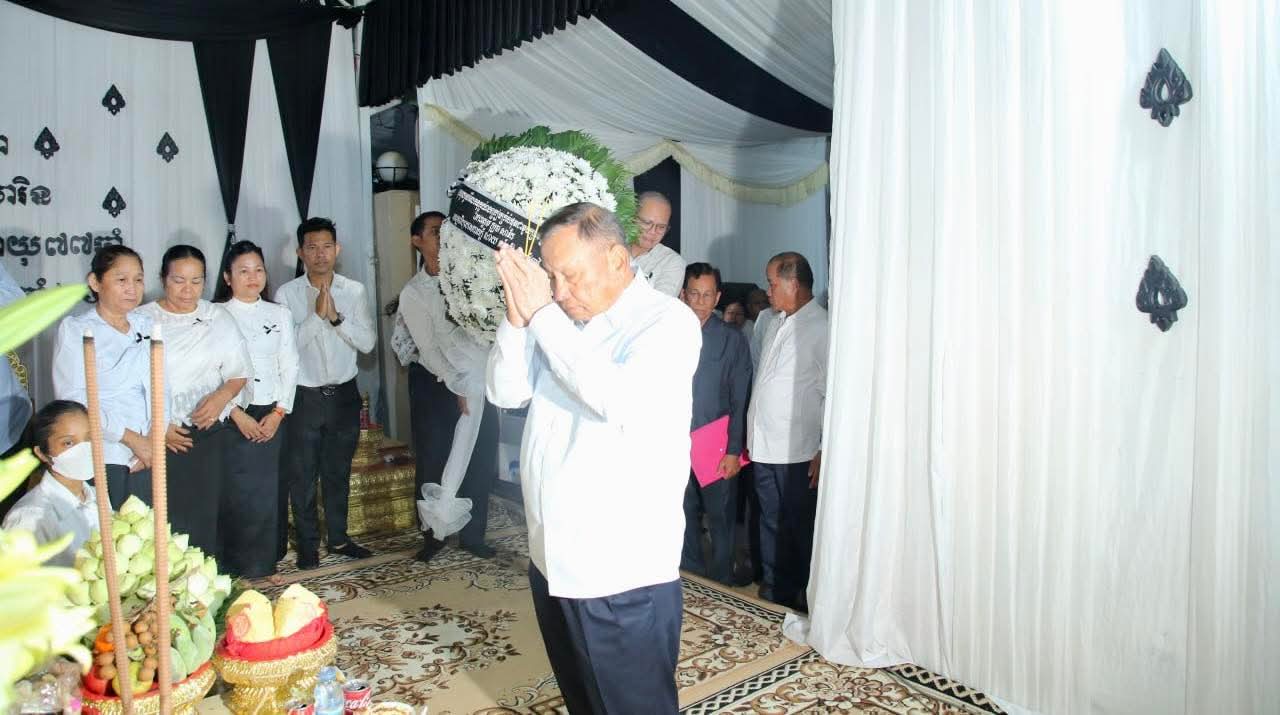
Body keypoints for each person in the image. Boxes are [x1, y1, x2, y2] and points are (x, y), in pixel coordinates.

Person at [488, 202, 700, 714]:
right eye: (550, 277)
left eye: (570, 275)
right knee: (585, 702)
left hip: (618, 573)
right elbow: (504, 391)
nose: (559, 291)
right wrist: (516, 320)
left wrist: (542, 315)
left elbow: (617, 398)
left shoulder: (665, 322)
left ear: (617, 259)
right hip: (552, 559)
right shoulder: (560, 320)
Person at [137, 245, 251, 559]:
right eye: (178, 280)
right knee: (167, 518)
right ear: (163, 279)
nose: (188, 290)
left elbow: (239, 373)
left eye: (196, 281)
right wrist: (158, 425)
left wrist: (220, 398)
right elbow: (130, 385)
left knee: (207, 516)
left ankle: (208, 581)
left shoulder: (217, 317)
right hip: (161, 435)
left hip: (208, 431)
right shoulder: (142, 319)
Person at [396, 211, 498, 563]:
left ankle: (473, 534)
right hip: (435, 380)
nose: (443, 238)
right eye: (435, 232)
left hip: (477, 375)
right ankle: (432, 535)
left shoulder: (471, 276)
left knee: (481, 452)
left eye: (448, 231)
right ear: (417, 241)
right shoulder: (414, 292)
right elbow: (427, 348)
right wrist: (455, 383)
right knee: (434, 453)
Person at [275, 217, 375, 569]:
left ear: (338, 250)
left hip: (344, 394)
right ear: (300, 253)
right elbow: (286, 349)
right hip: (305, 396)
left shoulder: (354, 291)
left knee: (337, 471)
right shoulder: (286, 295)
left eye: (327, 247)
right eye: (312, 247)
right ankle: (307, 545)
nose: (320, 254)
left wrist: (336, 319)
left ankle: (339, 538)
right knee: (302, 475)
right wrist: (317, 317)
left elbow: (368, 343)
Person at [746, 252, 828, 613]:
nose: (768, 291)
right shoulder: (772, 321)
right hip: (763, 445)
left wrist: (824, 447)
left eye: (772, 283)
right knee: (769, 520)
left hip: (798, 450)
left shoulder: (822, 327)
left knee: (798, 525)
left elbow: (833, 394)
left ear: (793, 284)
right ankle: (775, 588)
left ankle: (805, 594)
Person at [213, 240, 298, 580]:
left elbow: (290, 364)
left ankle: (265, 562)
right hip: (232, 413)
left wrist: (279, 412)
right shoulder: (215, 314)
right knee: (236, 491)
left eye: (258, 270)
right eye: (243, 271)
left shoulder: (279, 314)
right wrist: (235, 413)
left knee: (270, 489)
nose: (252, 277)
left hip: (273, 413)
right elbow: (212, 372)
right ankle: (234, 565)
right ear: (227, 277)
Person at [52, 245, 155, 509]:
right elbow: (75, 401)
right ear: (95, 282)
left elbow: (161, 387)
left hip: (148, 454)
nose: (132, 288)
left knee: (149, 530)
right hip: (105, 452)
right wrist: (131, 439)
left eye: (138, 279)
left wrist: (152, 438)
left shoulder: (147, 325)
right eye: (121, 280)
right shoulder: (77, 329)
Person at [679, 263, 752, 586]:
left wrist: (734, 450)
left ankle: (722, 580)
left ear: (718, 297)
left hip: (715, 443)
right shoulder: (668, 332)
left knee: (720, 517)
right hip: (674, 440)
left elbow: (740, 399)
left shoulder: (731, 339)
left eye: (707, 295)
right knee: (681, 512)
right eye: (694, 294)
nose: (700, 302)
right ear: (683, 294)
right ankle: (690, 575)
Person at [2, 400, 97, 567]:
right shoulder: (29, 517)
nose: (83, 449)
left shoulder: (97, 497)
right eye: (68, 443)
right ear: (42, 453)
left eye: (89, 439)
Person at [628, 191, 686, 297]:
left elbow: (659, 303)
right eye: (647, 223)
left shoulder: (672, 262)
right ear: (632, 218)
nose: (652, 231)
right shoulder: (611, 245)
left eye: (661, 227)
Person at [745, 288, 776, 370]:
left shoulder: (775, 323)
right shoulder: (743, 327)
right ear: (749, 306)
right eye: (757, 303)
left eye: (765, 302)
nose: (762, 306)